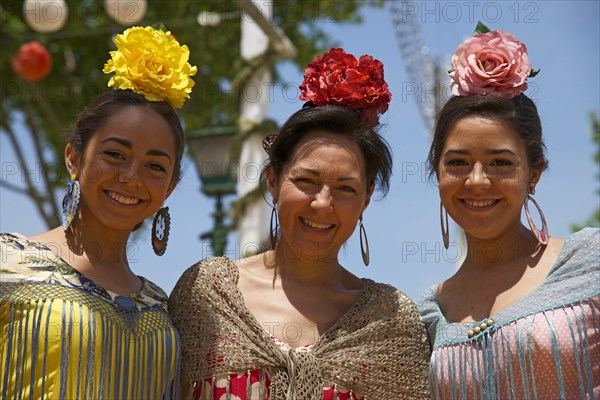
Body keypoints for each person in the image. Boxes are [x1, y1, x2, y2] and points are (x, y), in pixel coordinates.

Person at [169, 48, 431, 399]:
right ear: (273, 181)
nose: (322, 203)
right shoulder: (207, 295)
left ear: (366, 200)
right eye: (306, 181)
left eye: (345, 188)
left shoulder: (390, 324)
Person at [0, 26, 197, 399]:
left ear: (170, 187)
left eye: (155, 166)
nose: (130, 177)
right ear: (73, 158)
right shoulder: (8, 263)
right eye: (114, 155)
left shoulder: (163, 306)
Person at [417, 23, 600, 399]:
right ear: (437, 173)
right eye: (458, 163)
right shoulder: (427, 316)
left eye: (500, 163)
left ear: (534, 174)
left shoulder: (590, 265)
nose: (477, 181)